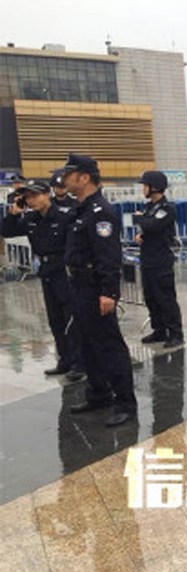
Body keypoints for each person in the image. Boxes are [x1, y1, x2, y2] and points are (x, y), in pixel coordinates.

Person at [61, 153, 138, 427]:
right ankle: (99, 394)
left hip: (95, 287)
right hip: (79, 284)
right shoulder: (80, 209)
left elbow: (109, 255)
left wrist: (109, 292)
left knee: (108, 345)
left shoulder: (100, 211)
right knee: (87, 343)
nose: (64, 179)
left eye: (69, 174)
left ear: (84, 178)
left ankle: (126, 402)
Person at [0, 179, 85, 381]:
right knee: (55, 319)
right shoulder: (31, 218)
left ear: (47, 194)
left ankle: (79, 363)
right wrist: (13, 214)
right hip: (47, 272)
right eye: (28, 197)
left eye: (35, 195)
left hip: (64, 270)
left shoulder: (65, 215)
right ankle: (65, 360)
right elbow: (6, 231)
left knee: (70, 319)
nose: (31, 200)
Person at [134, 170, 184, 349]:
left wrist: (141, 219)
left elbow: (153, 225)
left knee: (165, 298)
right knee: (151, 298)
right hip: (147, 259)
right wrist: (141, 235)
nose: (143, 189)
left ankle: (175, 333)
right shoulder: (149, 207)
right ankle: (159, 330)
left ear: (154, 187)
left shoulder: (167, 208)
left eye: (145, 186)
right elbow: (148, 228)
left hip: (161, 260)